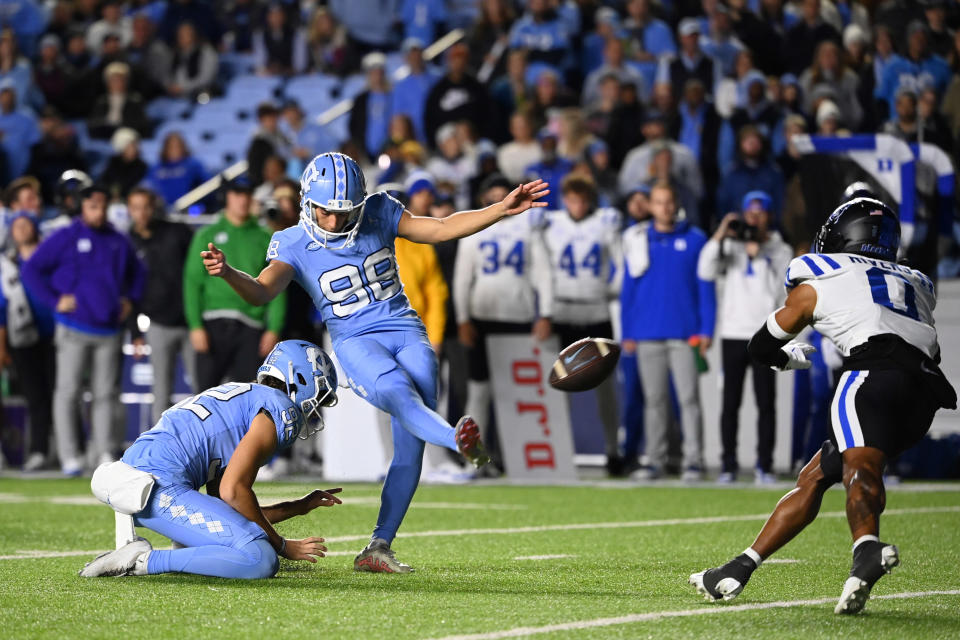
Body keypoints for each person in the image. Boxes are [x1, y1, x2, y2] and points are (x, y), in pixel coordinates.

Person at [200, 152, 548, 572]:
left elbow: (437, 229)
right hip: (354, 340)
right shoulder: (292, 241)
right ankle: (457, 440)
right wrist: (227, 273)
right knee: (400, 397)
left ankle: (379, 546)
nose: (332, 222)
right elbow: (260, 291)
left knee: (409, 445)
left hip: (405, 329)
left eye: (343, 213)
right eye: (325, 211)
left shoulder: (379, 210)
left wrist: (499, 210)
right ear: (308, 202)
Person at [690, 196, 956, 615]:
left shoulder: (819, 273)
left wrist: (784, 357)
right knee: (815, 475)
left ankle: (866, 549)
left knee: (860, 467)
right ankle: (738, 568)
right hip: (925, 393)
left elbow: (760, 346)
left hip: (870, 376)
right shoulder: (916, 282)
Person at [77, 340, 344, 579]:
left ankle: (152, 556)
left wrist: (297, 507)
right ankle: (140, 561)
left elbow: (231, 507)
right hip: (158, 485)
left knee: (243, 546)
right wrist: (283, 546)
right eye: (318, 394)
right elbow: (233, 491)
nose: (315, 406)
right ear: (300, 379)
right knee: (260, 558)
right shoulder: (279, 408)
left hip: (139, 476)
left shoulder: (246, 396)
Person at [21, 184, 146, 475]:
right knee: (68, 392)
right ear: (82, 207)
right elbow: (31, 270)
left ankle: (101, 450)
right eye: (93, 206)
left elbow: (139, 273)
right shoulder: (65, 237)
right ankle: (70, 456)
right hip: (73, 327)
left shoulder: (118, 239)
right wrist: (54, 300)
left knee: (105, 394)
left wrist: (130, 299)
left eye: (103, 206)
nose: (99, 212)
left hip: (109, 330)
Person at [453, 173, 552, 466]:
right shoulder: (474, 227)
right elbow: (462, 279)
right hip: (483, 318)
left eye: (502, 193)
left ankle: (517, 459)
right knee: (479, 391)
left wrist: (545, 313)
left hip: (517, 318)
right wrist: (463, 319)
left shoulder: (528, 227)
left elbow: (544, 274)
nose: (497, 199)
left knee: (516, 392)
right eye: (492, 194)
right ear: (484, 199)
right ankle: (474, 459)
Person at [697, 191, 793, 484]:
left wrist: (761, 253)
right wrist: (722, 233)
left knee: (766, 402)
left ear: (769, 216)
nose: (753, 219)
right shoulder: (730, 246)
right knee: (730, 403)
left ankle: (765, 464)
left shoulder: (780, 249)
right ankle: (728, 465)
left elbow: (783, 292)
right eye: (749, 214)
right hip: (733, 333)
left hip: (765, 334)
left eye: (759, 214)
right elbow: (705, 269)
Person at [621, 182, 715, 481]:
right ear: (649, 205)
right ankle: (656, 460)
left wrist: (706, 329)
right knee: (654, 401)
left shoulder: (697, 239)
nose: (664, 207)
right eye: (658, 202)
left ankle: (694, 461)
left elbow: (706, 289)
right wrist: (628, 332)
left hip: (685, 334)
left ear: (676, 203)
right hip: (647, 333)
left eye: (669, 201)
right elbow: (628, 289)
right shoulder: (637, 239)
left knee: (688, 399)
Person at [540, 175, 623, 475]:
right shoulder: (550, 223)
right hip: (562, 311)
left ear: (590, 201)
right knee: (555, 385)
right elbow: (539, 263)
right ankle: (557, 451)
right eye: (571, 200)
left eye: (581, 200)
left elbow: (621, 265)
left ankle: (613, 449)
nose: (576, 206)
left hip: (596, 312)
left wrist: (607, 290)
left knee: (606, 388)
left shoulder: (604, 222)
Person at [183, 177, 285, 392]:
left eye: (247, 194)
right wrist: (195, 326)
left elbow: (277, 285)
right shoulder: (206, 235)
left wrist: (273, 329)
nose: (243, 200)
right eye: (237, 194)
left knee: (247, 396)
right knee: (203, 399)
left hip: (251, 327)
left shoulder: (264, 237)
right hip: (213, 324)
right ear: (227, 197)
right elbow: (192, 283)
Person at [127, 187, 195, 423]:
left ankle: (207, 447)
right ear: (129, 210)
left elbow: (198, 274)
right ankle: (160, 449)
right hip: (157, 324)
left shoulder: (177, 232)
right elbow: (129, 290)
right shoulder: (128, 242)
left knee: (202, 389)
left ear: (153, 206)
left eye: (146, 206)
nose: (142, 213)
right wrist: (135, 333)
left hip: (191, 322)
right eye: (136, 208)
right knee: (161, 390)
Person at [0, 213, 56, 471]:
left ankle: (73, 450)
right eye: (17, 226)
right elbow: (2, 306)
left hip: (54, 335)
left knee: (63, 394)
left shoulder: (50, 259)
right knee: (35, 396)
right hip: (23, 338)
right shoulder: (9, 265)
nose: (21, 230)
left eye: (26, 225)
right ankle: (39, 450)